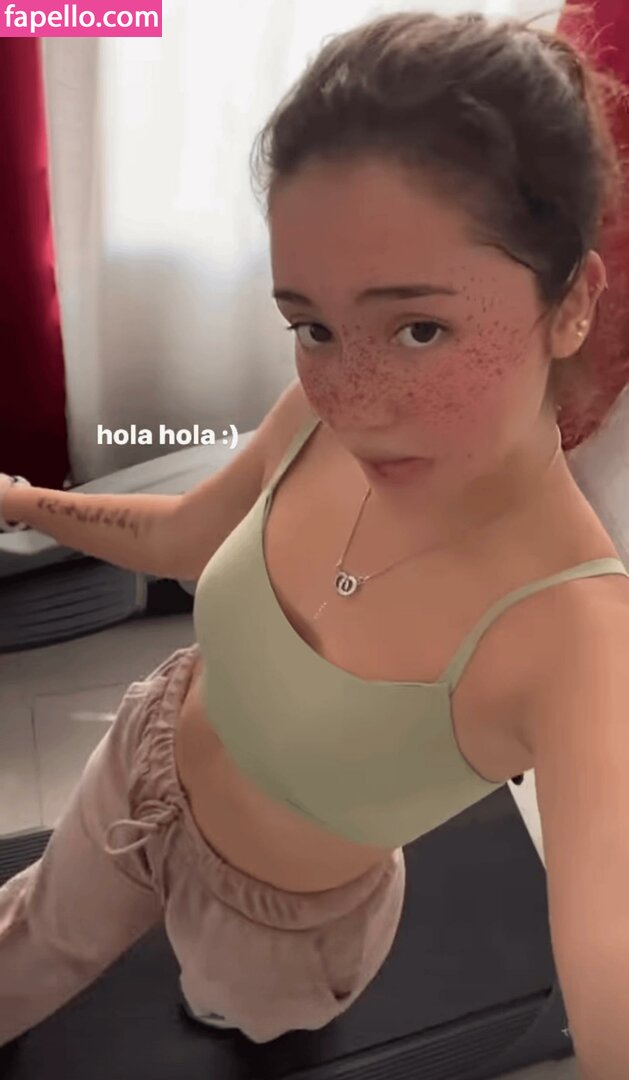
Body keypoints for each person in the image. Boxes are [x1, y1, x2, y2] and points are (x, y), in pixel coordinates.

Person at [1, 4, 628, 1051]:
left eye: (419, 328)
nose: (354, 400)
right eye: (313, 325)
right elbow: (183, 538)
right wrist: (23, 501)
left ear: (569, 305)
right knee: (26, 946)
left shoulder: (579, 641)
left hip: (276, 936)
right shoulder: (314, 416)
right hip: (140, 759)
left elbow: (611, 968)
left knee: (233, 1017)